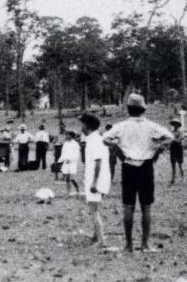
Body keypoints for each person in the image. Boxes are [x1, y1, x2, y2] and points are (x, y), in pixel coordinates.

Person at [102, 93, 173, 253]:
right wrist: (157, 146)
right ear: (143, 109)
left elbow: (105, 138)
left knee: (128, 206)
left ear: (128, 109)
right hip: (146, 166)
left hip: (128, 166)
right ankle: (145, 244)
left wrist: (117, 146)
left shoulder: (121, 126)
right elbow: (170, 137)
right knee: (146, 207)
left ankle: (128, 245)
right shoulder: (152, 126)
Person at [80, 112, 111, 249]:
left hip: (97, 180)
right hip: (99, 179)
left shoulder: (95, 140)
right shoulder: (96, 138)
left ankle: (102, 241)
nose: (81, 127)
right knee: (95, 208)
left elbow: (98, 162)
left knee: (94, 210)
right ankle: (95, 235)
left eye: (82, 124)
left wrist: (93, 182)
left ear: (87, 125)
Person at [58, 130, 81, 195]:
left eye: (68, 134)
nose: (66, 136)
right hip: (66, 162)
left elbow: (77, 154)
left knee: (71, 178)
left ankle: (77, 189)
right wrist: (59, 161)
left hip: (72, 163)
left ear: (71, 136)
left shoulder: (75, 144)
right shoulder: (65, 143)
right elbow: (63, 153)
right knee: (67, 178)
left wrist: (70, 159)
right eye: (66, 134)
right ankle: (68, 192)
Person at [168, 118, 184, 185]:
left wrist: (172, 138)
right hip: (173, 149)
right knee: (173, 164)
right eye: (174, 124)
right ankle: (173, 178)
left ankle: (182, 177)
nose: (175, 125)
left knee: (180, 164)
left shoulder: (180, 132)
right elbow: (169, 141)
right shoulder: (171, 132)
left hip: (178, 149)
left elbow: (178, 140)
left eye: (176, 124)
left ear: (178, 125)